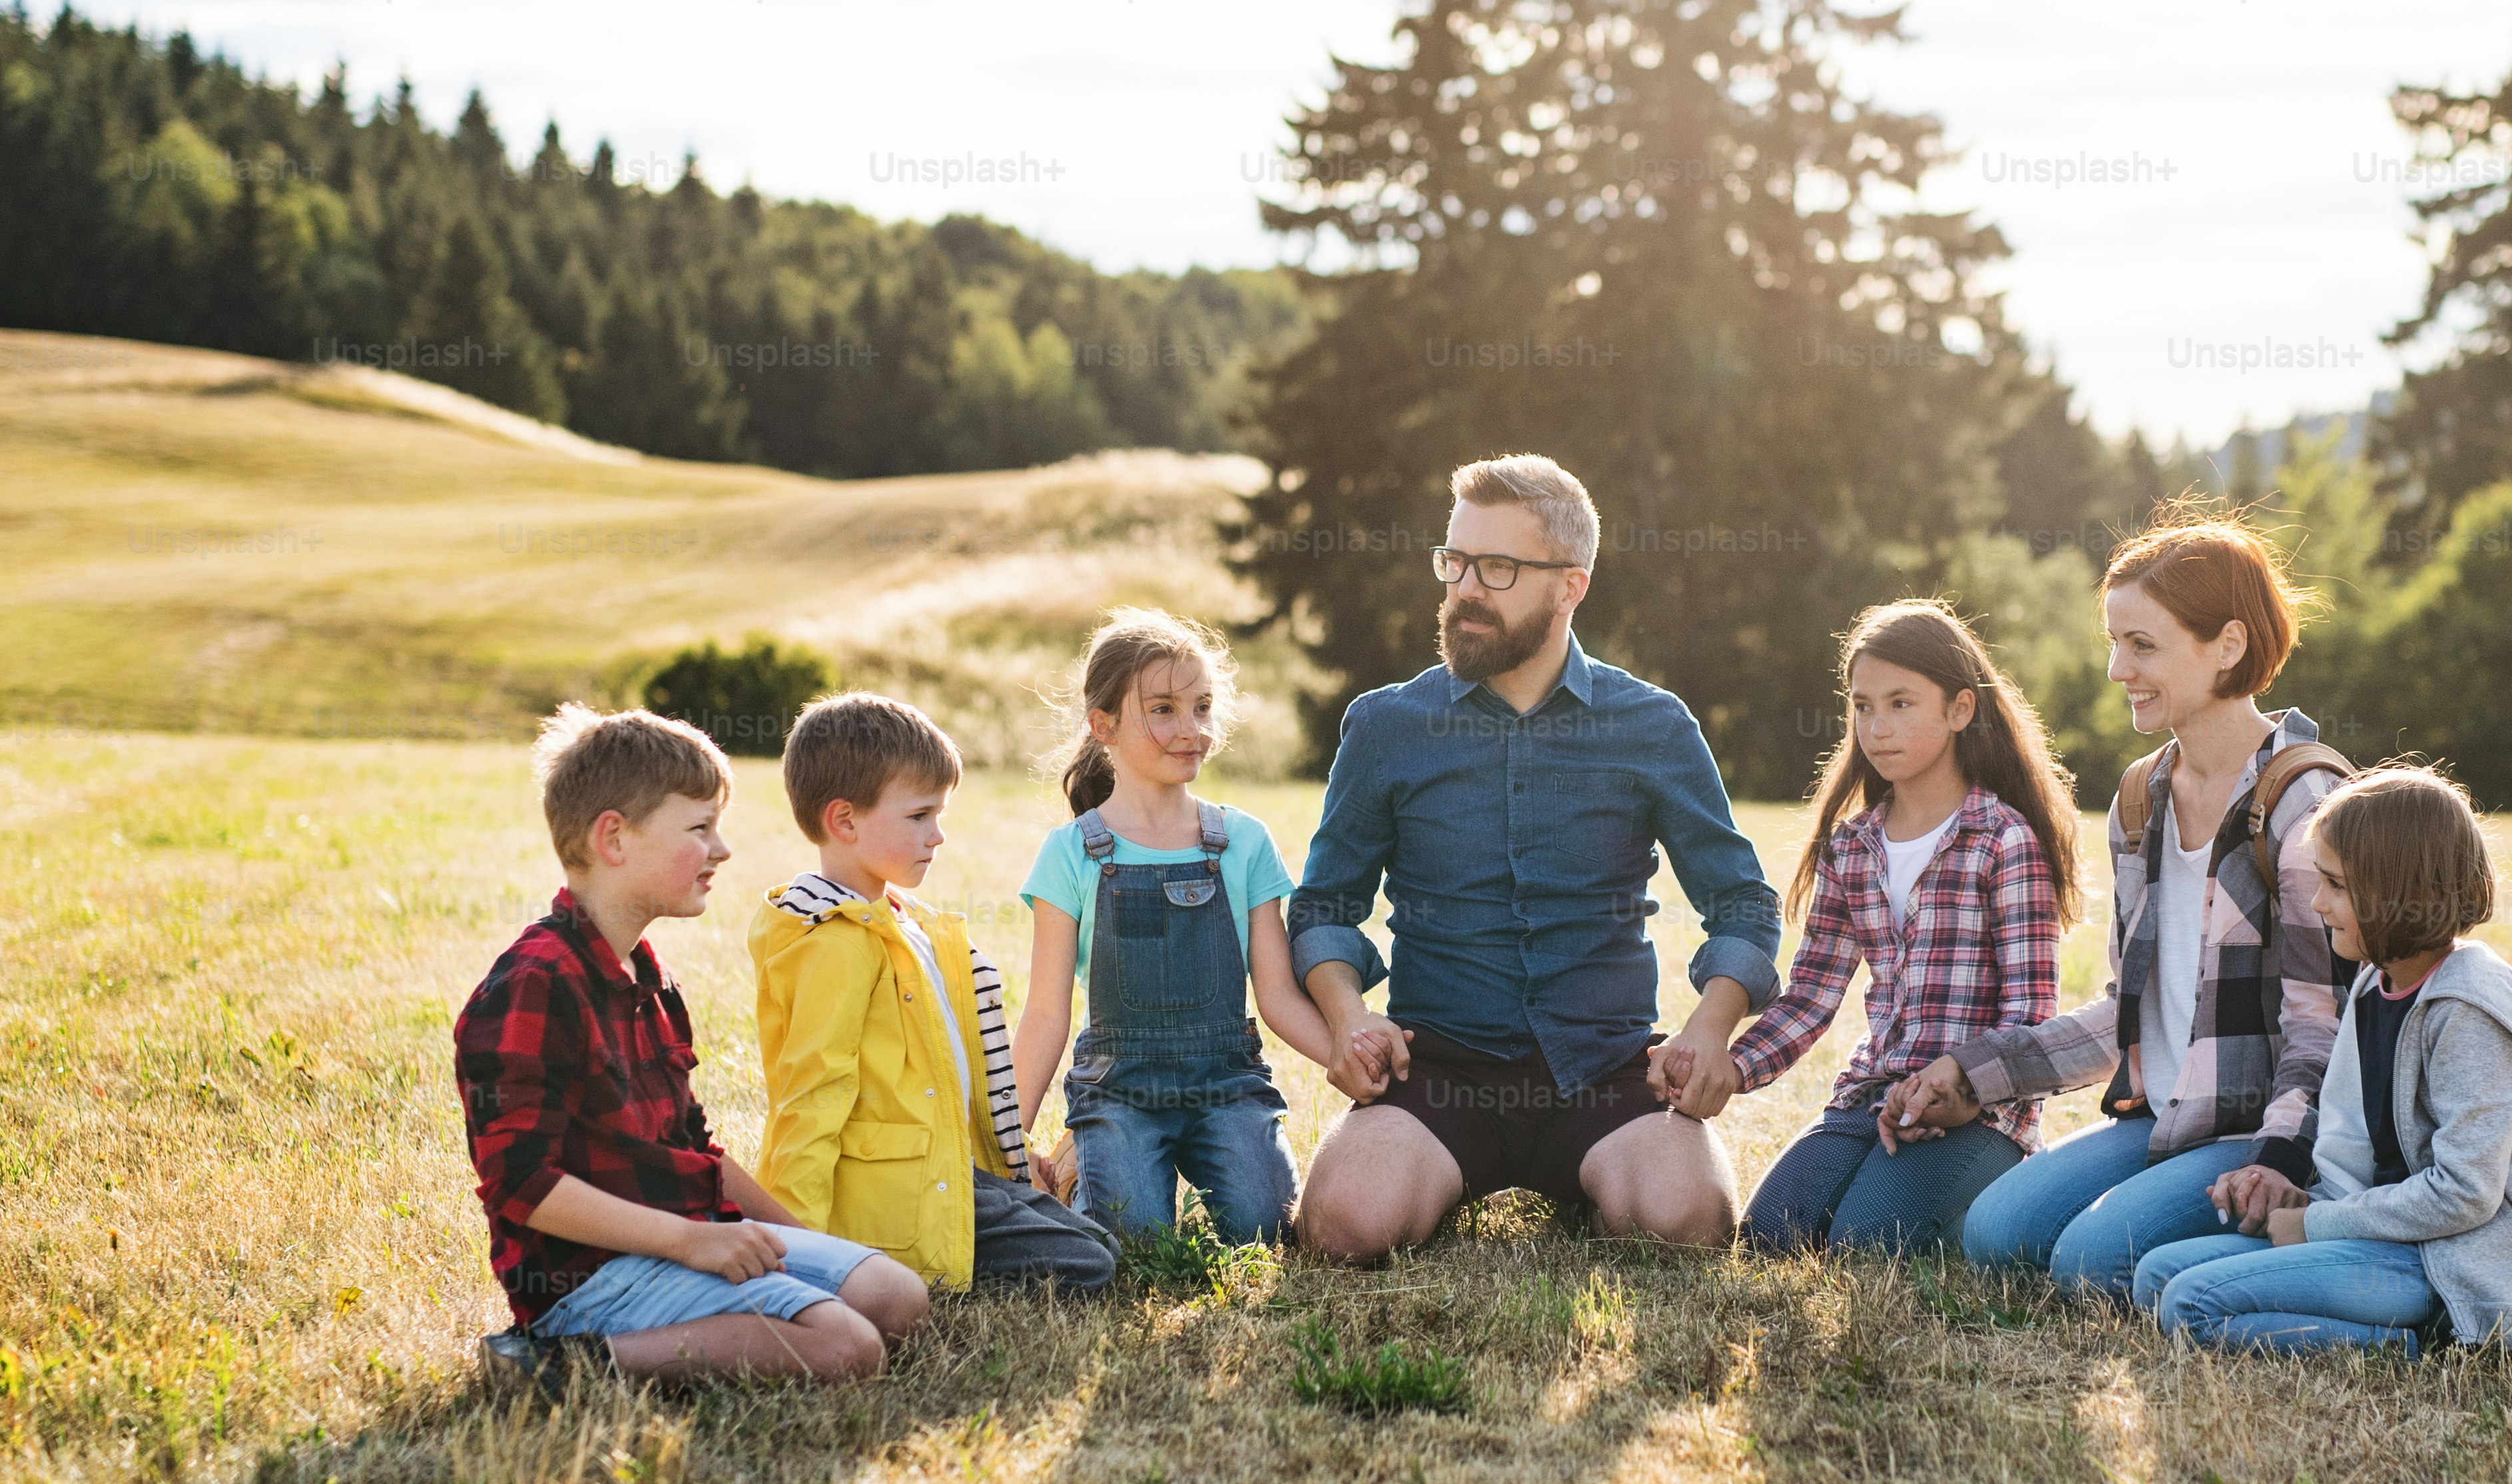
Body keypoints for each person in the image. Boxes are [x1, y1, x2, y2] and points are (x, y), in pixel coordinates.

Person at [1287, 454, 1784, 1258]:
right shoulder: (1386, 726)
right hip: (1435, 1072)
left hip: (1606, 1071)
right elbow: (1323, 907)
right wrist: (1347, 1016)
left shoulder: (1654, 725)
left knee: (1687, 1222)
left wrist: (1710, 1024)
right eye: (1454, 561)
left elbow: (1743, 904)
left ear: (1570, 587)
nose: (1464, 589)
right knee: (1347, 1226)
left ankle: (1598, 1179)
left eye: (1498, 568)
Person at [1885, 511, 2352, 1302]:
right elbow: (2126, 1014)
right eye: (2114, 642)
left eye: (2142, 645)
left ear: (2228, 645)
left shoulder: (2305, 800)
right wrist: (1972, 1073)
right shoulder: (2141, 797)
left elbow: (2322, 1025)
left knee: (2088, 1262)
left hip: (2262, 1133)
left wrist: (2278, 1159)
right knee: (1996, 1233)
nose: (2116, 669)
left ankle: (2295, 1233)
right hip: (2159, 1119)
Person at [459, 705, 929, 1383]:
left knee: (895, 1296)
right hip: (592, 1278)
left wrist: (807, 1247)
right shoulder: (535, 983)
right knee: (848, 1348)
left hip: (687, 1236)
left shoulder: (649, 977)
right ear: (614, 838)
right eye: (700, 828)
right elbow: (521, 1184)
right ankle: (562, 1363)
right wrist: (692, 1240)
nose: (723, 849)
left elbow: (692, 1143)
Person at [2124, 764, 2512, 1352]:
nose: (2317, 903)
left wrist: (2315, 1226)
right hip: (2385, 1242)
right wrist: (2308, 1203)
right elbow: (2349, 1146)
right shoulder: (2376, 983)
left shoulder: (2468, 1012)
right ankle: (2384, 1327)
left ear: (2400, 895)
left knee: (2191, 1306)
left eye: (2336, 885)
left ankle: (2430, 1346)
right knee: (2156, 1277)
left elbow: (2465, 1193)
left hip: (2459, 1271)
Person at [1693, 599, 2080, 1255]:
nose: (1877, 728)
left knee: (1865, 1246)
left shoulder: (2003, 840)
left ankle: (2001, 1200)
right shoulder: (1852, 846)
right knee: (1769, 1239)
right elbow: (1812, 996)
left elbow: (2030, 1014)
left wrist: (1962, 1086)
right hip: (1871, 1097)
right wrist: (1732, 1069)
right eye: (1863, 706)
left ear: (1960, 710)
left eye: (1901, 704)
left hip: (1978, 1111)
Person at [751, 692, 1118, 1296]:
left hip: (942, 1172)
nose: (938, 836)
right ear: (845, 822)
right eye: (920, 816)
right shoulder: (832, 944)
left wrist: (1012, 1156)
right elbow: (810, 1097)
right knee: (1089, 1266)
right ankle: (897, 1267)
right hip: (889, 1196)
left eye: (939, 815)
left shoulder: (905, 923)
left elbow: (950, 1079)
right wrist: (800, 1250)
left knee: (1102, 1245)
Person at [1014, 609, 1342, 1245]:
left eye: (1203, 707)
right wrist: (1008, 1139)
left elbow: (1276, 995)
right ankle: (1084, 1161)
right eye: (1163, 710)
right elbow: (1047, 1015)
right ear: (1103, 726)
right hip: (1121, 1090)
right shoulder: (1071, 853)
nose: (1192, 729)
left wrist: (1345, 1060)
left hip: (1227, 1084)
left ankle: (1113, 1160)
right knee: (1134, 1238)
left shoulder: (1244, 841)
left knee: (1267, 1227)